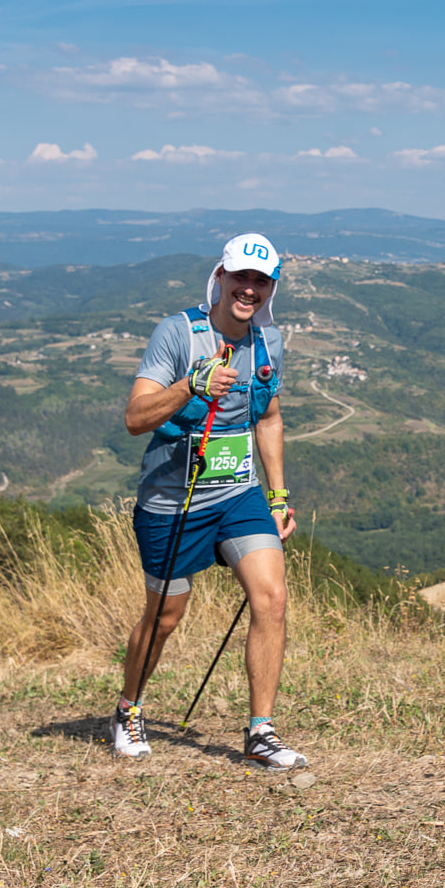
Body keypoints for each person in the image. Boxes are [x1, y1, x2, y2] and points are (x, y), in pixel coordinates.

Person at [109, 232, 307, 770]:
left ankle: (260, 731)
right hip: (172, 501)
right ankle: (128, 709)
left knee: (272, 598)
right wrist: (191, 385)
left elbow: (267, 417)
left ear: (271, 288)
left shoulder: (269, 342)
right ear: (220, 277)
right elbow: (135, 418)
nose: (249, 289)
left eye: (260, 281)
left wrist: (279, 493)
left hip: (237, 495)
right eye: (240, 277)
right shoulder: (177, 333)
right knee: (166, 616)